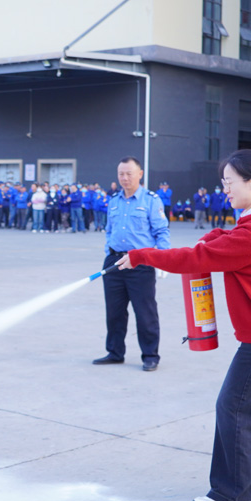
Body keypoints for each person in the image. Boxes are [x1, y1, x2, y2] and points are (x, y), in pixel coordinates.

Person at [117, 148, 251, 501]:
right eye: (222, 183)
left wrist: (143, 255)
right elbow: (231, 237)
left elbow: (196, 259)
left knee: (234, 408)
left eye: (229, 183)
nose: (225, 189)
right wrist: (217, 233)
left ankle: (233, 496)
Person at [94, 156, 170, 372]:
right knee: (114, 311)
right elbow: (109, 230)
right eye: (121, 174)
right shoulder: (114, 200)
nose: (124, 178)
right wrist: (109, 250)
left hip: (140, 262)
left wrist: (163, 260)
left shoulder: (151, 200)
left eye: (129, 173)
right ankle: (115, 352)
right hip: (114, 261)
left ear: (140, 174)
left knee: (145, 311)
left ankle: (150, 355)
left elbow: (161, 231)